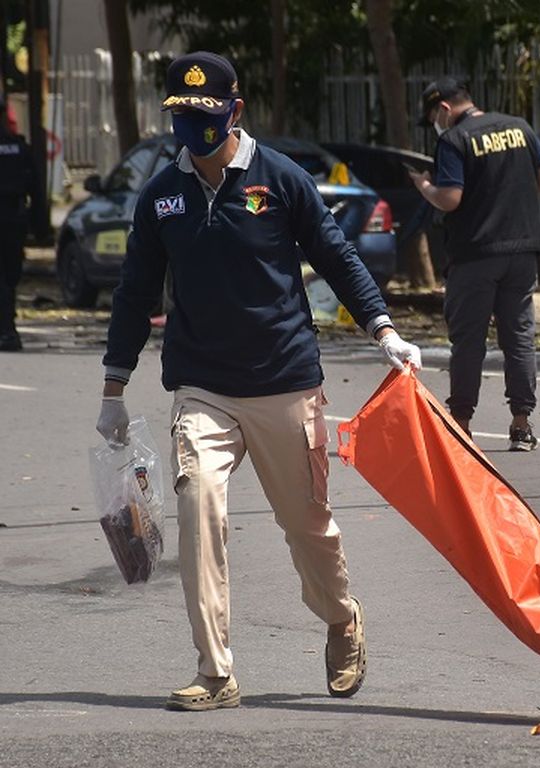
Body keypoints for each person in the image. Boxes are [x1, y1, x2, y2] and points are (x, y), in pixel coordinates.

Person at [95, 52, 422, 711]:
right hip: (204, 387)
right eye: (182, 116)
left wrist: (383, 329)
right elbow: (134, 293)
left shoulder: (281, 181)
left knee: (307, 527)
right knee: (198, 503)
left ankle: (342, 618)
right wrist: (113, 386)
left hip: (284, 382)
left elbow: (336, 254)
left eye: (206, 116)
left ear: (234, 112)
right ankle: (215, 672)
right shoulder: (162, 195)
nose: (194, 129)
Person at [407, 76, 540, 451]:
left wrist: (425, 188)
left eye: (433, 118)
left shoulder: (454, 140)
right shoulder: (519, 127)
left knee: (469, 342)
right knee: (519, 338)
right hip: (522, 252)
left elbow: (451, 198)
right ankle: (521, 425)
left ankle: (461, 425)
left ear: (444, 108)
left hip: (475, 256)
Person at [0, 94, 34, 352]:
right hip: (14, 220)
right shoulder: (19, 147)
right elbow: (35, 188)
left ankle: (7, 331)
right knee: (10, 277)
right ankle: (9, 330)